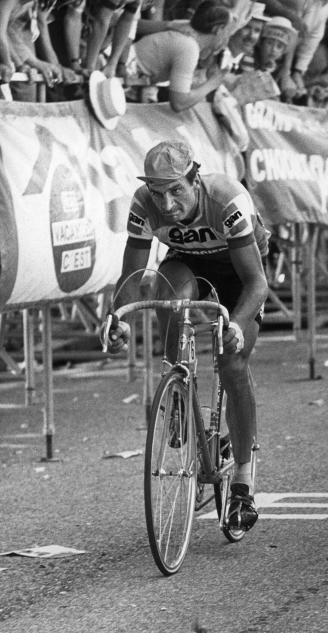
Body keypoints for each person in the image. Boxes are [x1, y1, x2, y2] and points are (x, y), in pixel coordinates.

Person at [104, 140, 269, 532]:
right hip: (186, 264)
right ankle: (178, 387)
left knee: (232, 363)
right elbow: (132, 275)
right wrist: (119, 318)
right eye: (158, 193)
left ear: (195, 178)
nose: (167, 204)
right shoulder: (144, 204)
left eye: (176, 190)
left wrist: (234, 325)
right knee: (169, 296)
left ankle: (243, 482)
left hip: (240, 270)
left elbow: (257, 283)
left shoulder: (226, 200)